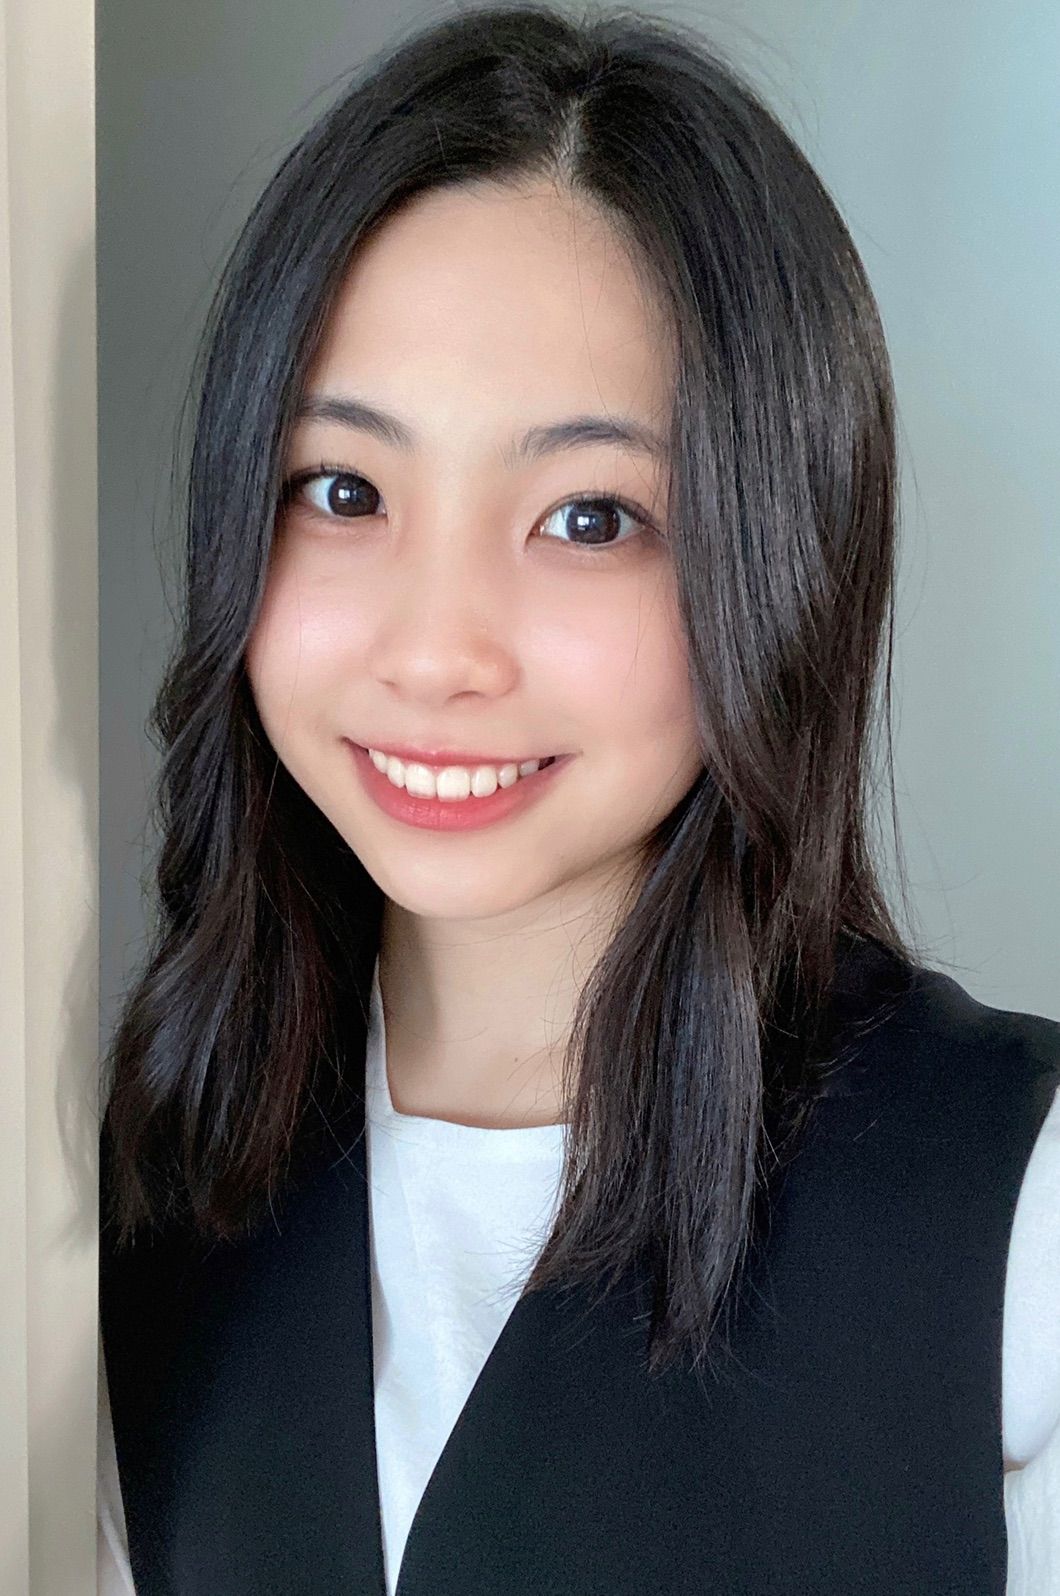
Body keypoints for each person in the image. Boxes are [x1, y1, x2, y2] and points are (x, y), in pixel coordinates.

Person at [96, 6, 1060, 1592]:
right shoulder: (138, 1220)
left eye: (590, 517)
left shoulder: (1008, 1221)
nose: (436, 651)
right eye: (343, 490)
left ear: (778, 559)